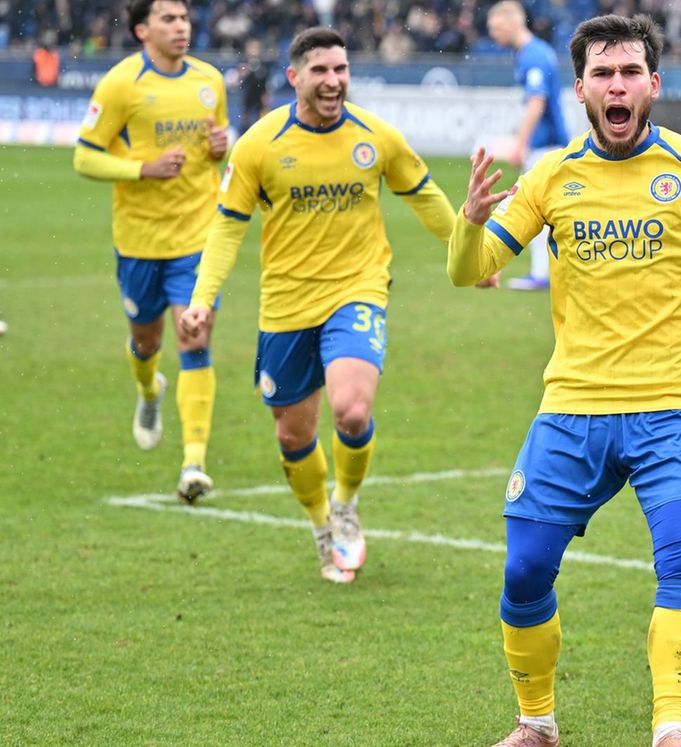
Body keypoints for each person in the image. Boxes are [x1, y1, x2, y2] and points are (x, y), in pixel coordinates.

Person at [448, 13, 681, 747]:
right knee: (525, 571)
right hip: (572, 409)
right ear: (582, 89)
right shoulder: (553, 178)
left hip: (674, 410)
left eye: (631, 72)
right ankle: (536, 725)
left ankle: (671, 729)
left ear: (654, 85)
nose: (618, 86)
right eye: (604, 74)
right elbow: (471, 271)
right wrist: (468, 228)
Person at [179, 27, 455, 584]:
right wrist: (202, 300)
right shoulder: (259, 144)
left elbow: (424, 194)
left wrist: (473, 253)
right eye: (321, 71)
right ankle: (322, 525)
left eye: (341, 70)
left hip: (358, 290)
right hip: (285, 306)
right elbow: (227, 228)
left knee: (352, 409)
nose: (333, 81)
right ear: (294, 77)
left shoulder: (374, 136)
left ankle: (347, 506)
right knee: (293, 436)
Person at [73, 0, 229, 503]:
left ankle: (194, 463)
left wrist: (222, 146)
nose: (181, 27)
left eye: (184, 18)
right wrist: (144, 168)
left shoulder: (210, 81)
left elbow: (217, 146)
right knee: (146, 341)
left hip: (197, 239)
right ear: (143, 30)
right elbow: (85, 157)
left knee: (195, 335)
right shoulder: (122, 84)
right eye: (168, 19)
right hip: (139, 241)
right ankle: (148, 390)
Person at [486, 0, 571, 291]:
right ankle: (547, 273)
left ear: (512, 24)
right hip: (548, 145)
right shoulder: (534, 53)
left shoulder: (532, 56)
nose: (493, 36)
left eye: (496, 29)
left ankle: (542, 275)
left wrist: (519, 145)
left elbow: (537, 102)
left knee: (535, 209)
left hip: (546, 147)